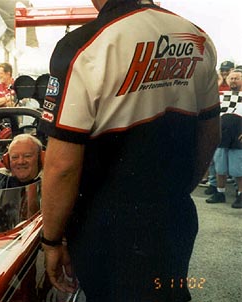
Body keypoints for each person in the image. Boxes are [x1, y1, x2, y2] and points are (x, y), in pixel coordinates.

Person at [38, 1, 220, 301]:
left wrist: (51, 241)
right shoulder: (196, 36)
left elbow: (62, 165)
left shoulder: (85, 44)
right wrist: (177, 191)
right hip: (174, 214)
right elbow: (210, 135)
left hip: (105, 226)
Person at [206, 69, 242, 208]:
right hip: (221, 135)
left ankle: (240, 194)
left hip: (237, 136)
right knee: (220, 166)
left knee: (238, 168)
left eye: (237, 78)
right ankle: (219, 193)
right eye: (231, 78)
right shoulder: (221, 94)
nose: (233, 80)